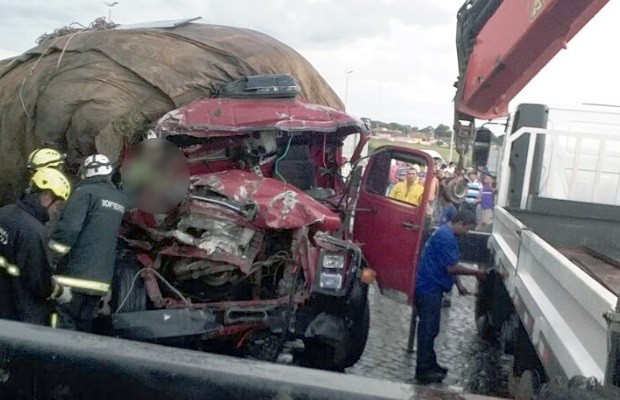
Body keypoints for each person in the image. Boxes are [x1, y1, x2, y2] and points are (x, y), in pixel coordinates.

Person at [48, 154, 130, 332]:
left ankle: (55, 359)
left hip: (72, 277)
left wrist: (51, 258)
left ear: (85, 173)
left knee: (61, 325)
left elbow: (69, 230)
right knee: (83, 327)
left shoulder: (83, 193)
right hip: (99, 283)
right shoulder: (119, 199)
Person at [414, 210, 486, 384]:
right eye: (467, 228)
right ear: (460, 222)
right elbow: (451, 267)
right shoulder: (446, 237)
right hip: (429, 288)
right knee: (428, 329)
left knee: (432, 328)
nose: (467, 233)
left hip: (431, 286)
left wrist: (459, 285)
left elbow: (449, 264)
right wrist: (475, 272)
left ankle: (430, 364)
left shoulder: (445, 233)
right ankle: (423, 369)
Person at [0, 168, 73, 325]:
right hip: (21, 315)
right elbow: (39, 282)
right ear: (46, 197)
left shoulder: (5, 213)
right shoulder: (33, 232)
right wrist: (59, 292)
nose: (55, 211)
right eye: (57, 204)